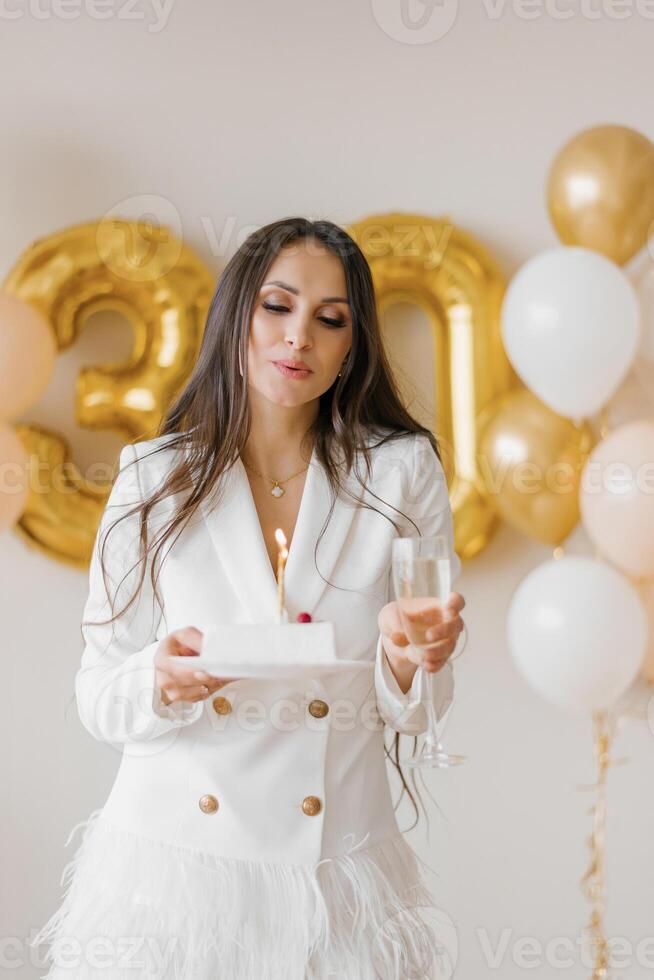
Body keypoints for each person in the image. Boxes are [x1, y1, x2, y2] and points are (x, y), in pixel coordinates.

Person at [31, 217, 466, 980]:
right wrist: (157, 681)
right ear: (237, 319)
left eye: (330, 320)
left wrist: (407, 657)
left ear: (349, 351)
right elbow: (100, 693)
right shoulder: (150, 477)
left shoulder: (400, 474)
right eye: (278, 306)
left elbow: (424, 708)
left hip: (336, 878)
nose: (299, 336)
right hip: (172, 879)